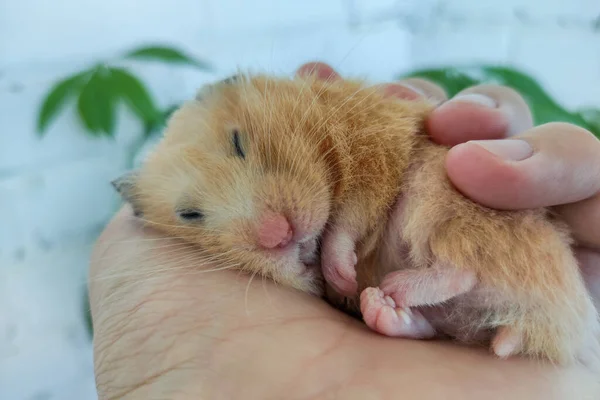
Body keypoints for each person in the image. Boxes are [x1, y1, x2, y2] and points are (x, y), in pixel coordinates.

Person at [88, 62, 600, 399]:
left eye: (242, 148)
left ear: (245, 89)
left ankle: (461, 274)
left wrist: (343, 231)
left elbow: (386, 153)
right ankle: (423, 319)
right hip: (450, 329)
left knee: (434, 177)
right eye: (193, 216)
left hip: (509, 282)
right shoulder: (223, 290)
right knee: (379, 289)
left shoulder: (339, 110)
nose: (273, 229)